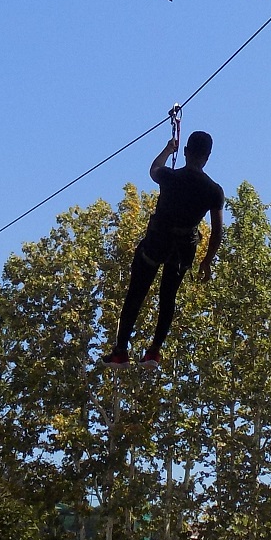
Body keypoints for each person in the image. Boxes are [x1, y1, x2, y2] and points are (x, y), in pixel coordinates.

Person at [105, 129, 224, 365]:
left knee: (136, 294)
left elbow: (153, 169)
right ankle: (154, 351)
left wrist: (168, 149)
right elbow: (218, 232)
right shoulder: (214, 190)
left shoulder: (169, 177)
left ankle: (120, 351)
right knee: (168, 297)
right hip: (183, 249)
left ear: (187, 152)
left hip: (157, 243)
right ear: (208, 157)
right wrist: (207, 261)